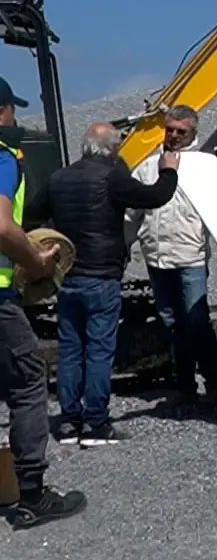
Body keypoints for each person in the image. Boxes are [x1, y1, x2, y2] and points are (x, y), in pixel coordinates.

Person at [23, 121, 180, 446]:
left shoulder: (59, 178)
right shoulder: (112, 177)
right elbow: (155, 197)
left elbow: (31, 214)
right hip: (102, 277)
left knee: (70, 350)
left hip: (67, 277)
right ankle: (95, 423)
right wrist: (168, 170)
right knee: (98, 351)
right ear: (111, 149)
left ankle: (68, 423)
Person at [0, 75, 87, 528]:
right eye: (11, 108)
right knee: (29, 381)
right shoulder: (2, 156)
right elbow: (1, 225)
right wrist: (34, 260)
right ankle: (31, 494)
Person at [125, 105, 217, 407]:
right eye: (170, 130)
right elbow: (131, 214)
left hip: (190, 259)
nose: (174, 136)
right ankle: (184, 386)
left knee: (197, 321)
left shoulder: (205, 168)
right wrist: (123, 247)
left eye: (181, 131)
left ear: (193, 132)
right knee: (173, 323)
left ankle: (215, 384)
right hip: (157, 259)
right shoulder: (147, 168)